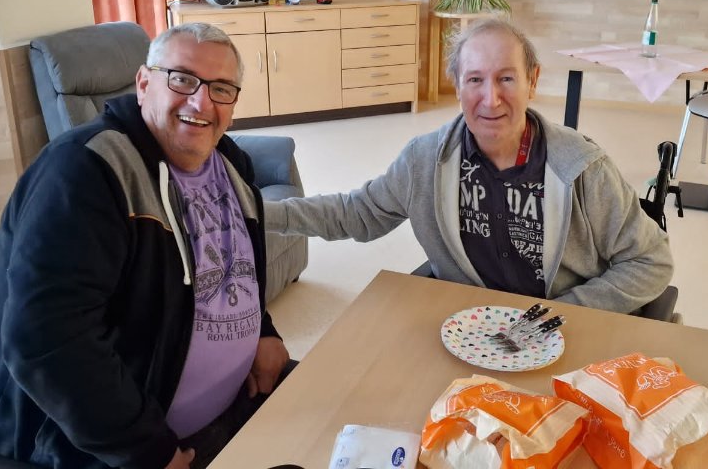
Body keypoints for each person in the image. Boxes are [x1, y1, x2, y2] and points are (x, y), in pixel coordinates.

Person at [0, 23, 291, 469]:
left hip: (228, 403)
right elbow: (45, 339)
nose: (201, 103)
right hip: (108, 448)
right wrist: (146, 450)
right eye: (182, 79)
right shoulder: (84, 172)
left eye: (221, 89)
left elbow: (237, 264)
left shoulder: (230, 161)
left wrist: (263, 331)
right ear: (143, 83)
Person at [265, 19, 672, 312]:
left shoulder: (582, 169)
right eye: (475, 80)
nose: (491, 99)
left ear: (532, 81)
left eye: (506, 79)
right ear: (457, 86)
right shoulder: (423, 161)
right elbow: (356, 214)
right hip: (470, 331)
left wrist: (563, 314)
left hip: (564, 331)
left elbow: (650, 261)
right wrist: (258, 212)